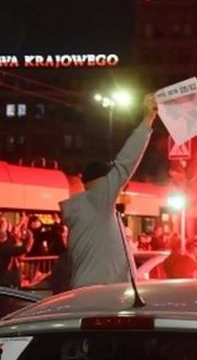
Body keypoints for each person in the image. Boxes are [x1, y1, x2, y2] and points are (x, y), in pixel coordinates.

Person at [61, 94, 156, 288]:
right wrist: (147, 120)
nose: (118, 186)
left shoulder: (89, 210)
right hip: (99, 294)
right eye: (111, 179)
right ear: (103, 182)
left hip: (96, 292)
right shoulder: (97, 201)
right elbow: (125, 163)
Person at [0, 221, 34, 287]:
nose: (5, 233)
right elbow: (23, 249)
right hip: (2, 280)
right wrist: (30, 238)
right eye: (3, 231)